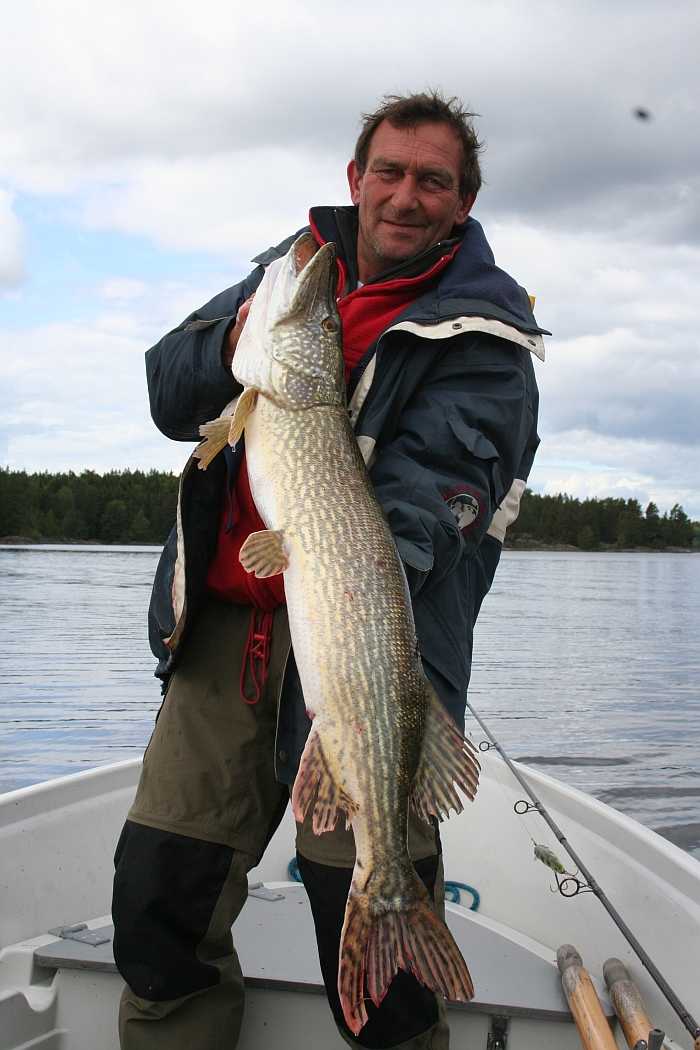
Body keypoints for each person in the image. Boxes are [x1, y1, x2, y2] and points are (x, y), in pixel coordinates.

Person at [111, 91, 546, 1050]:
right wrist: (232, 346)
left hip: (370, 658)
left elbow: (435, 496)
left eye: (432, 180)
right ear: (357, 179)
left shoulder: (486, 344)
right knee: (158, 910)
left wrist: (341, 564)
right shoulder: (291, 276)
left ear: (461, 203)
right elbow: (166, 389)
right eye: (387, 172)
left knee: (379, 972)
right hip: (226, 639)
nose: (404, 195)